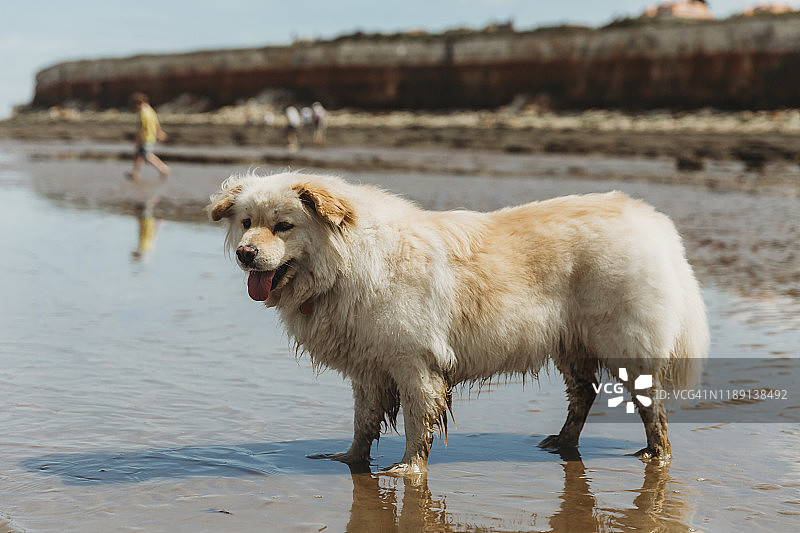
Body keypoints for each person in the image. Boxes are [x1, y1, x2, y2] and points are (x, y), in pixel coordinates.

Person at [128, 92, 169, 181]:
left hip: (146, 137)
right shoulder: (150, 110)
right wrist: (159, 132)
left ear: (138, 103)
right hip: (150, 136)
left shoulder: (143, 112)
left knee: (148, 155)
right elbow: (156, 123)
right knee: (139, 155)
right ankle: (135, 174)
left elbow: (144, 127)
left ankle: (163, 169)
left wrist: (137, 138)